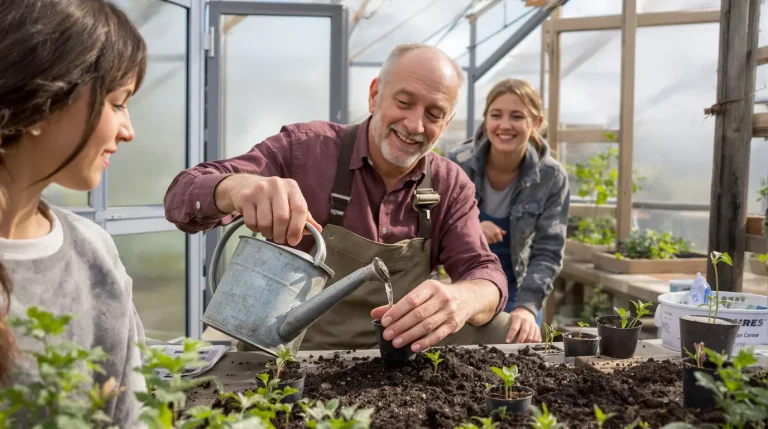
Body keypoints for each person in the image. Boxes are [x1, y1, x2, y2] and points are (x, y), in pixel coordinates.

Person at [165, 43, 514, 352]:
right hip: (294, 350)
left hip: (399, 351)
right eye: (404, 102)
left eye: (434, 114)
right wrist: (236, 188)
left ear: (449, 119)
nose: (414, 125)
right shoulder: (305, 150)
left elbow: (482, 270)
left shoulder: (448, 184)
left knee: (504, 329)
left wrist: (464, 297)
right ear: (374, 94)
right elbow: (182, 194)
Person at [0, 0, 148, 426]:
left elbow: (128, 416)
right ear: (42, 100)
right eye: (118, 103)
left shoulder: (93, 253)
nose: (129, 131)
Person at [446, 78, 569, 343]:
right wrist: (471, 227)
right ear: (485, 119)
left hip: (518, 288)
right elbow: (431, 228)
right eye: (496, 115)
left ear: (535, 123)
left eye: (517, 116)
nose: (504, 125)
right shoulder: (457, 164)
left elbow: (548, 251)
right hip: (462, 284)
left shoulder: (551, 177)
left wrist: (526, 308)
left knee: (519, 347)